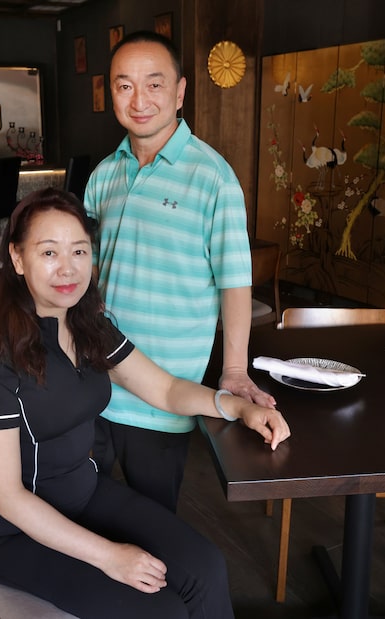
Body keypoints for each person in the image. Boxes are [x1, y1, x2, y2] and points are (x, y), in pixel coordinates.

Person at [0, 188, 290, 619]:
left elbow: (166, 389)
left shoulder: (89, 326)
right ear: (18, 259)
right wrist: (109, 555)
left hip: (86, 493)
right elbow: (5, 496)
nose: (68, 268)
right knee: (162, 610)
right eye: (48, 253)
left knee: (207, 567)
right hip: (13, 533)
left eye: (79, 251)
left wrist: (238, 406)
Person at [83, 30, 275, 513]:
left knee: (151, 528)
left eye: (154, 84)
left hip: (163, 399)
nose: (139, 100)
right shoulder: (103, 175)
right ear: (112, 94)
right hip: (93, 388)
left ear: (180, 92)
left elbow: (235, 282)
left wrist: (233, 370)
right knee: (84, 514)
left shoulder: (211, 176)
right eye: (125, 86)